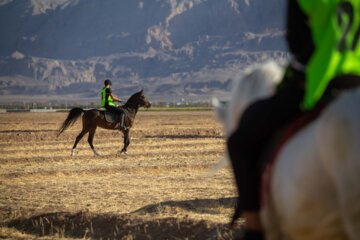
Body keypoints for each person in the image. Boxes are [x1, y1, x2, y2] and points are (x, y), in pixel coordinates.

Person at [227, 1, 360, 239]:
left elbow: (300, 47)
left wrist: (296, 78)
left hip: (323, 85)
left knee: (240, 141)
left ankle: (254, 229)